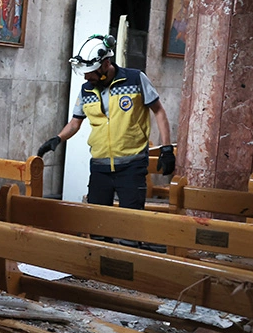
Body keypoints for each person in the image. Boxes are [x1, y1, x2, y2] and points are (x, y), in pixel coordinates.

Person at [36, 34, 173, 211]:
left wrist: (167, 149)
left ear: (106, 64)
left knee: (130, 224)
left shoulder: (135, 79)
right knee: (98, 224)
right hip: (100, 166)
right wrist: (57, 139)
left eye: (90, 73)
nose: (86, 78)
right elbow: (75, 123)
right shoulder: (86, 90)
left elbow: (159, 111)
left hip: (132, 165)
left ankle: (128, 240)